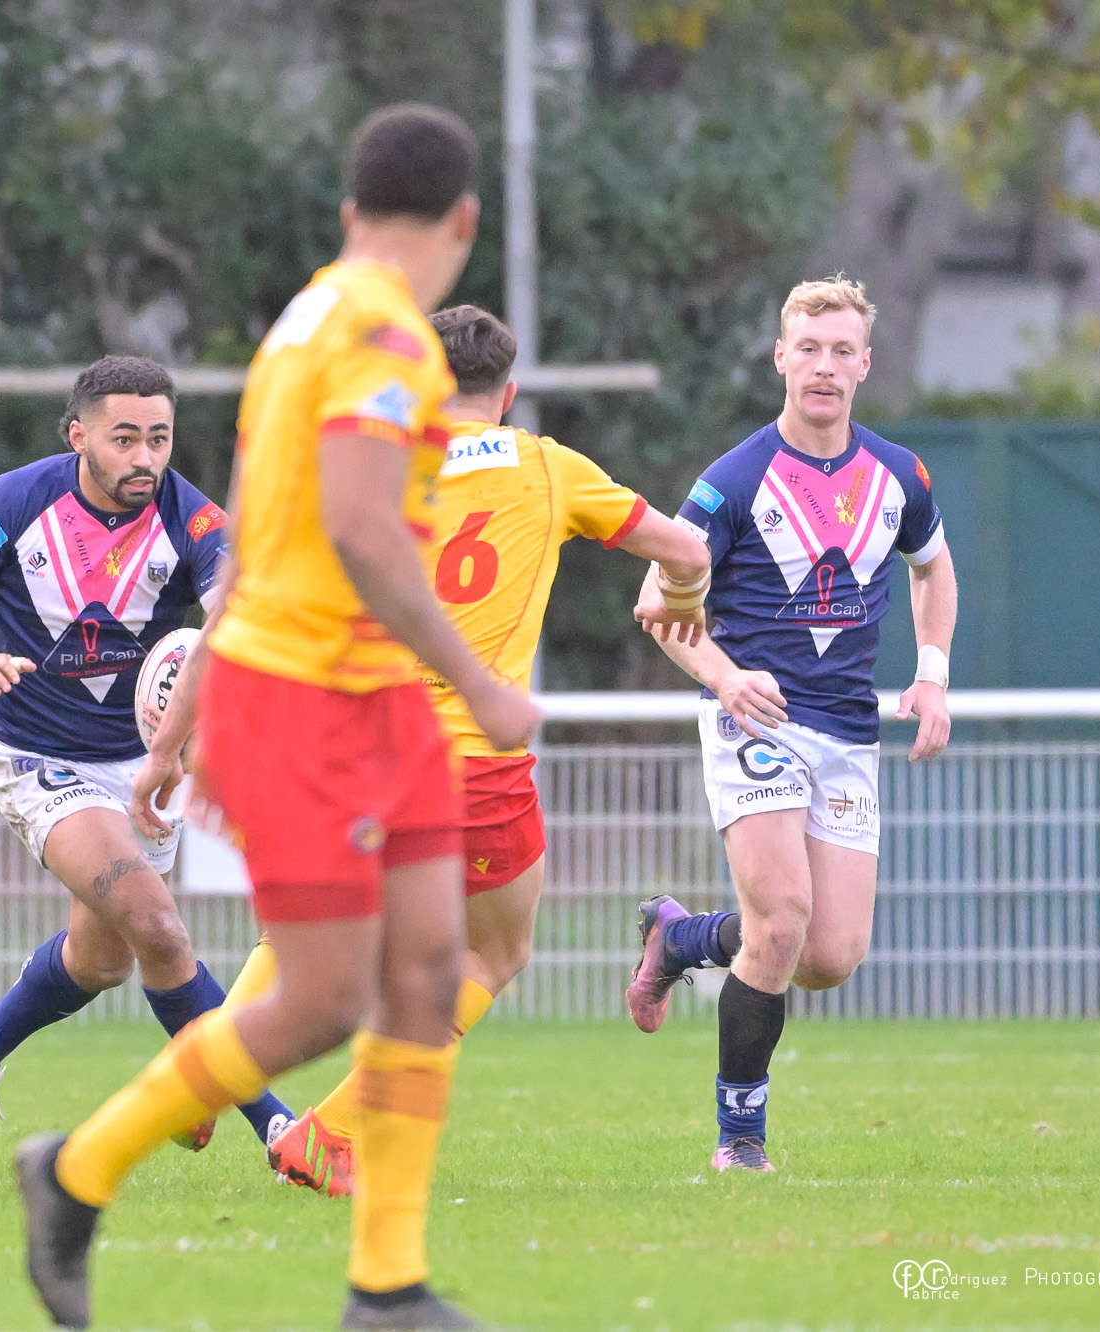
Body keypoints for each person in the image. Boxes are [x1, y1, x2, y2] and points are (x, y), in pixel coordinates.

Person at [17, 104, 537, 1332]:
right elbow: (357, 529)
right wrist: (476, 681)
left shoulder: (305, 317)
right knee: (319, 1001)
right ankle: (75, 1173)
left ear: (350, 210)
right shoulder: (383, 338)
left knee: (428, 973)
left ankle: (385, 1286)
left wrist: (175, 729)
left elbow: (247, 542)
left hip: (364, 695)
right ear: (465, 221)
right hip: (310, 698)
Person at [254, 304, 713, 1196]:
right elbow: (686, 549)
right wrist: (682, 603)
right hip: (473, 764)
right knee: (491, 957)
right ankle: (330, 1132)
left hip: (360, 750)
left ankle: (207, 1078)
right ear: (507, 394)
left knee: (313, 931)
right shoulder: (547, 467)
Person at [0, 355, 293, 1166]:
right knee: (159, 929)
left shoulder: (196, 522)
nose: (145, 458)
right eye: (124, 439)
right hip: (38, 759)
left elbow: (236, 633)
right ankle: (280, 1130)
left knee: (101, 961)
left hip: (145, 768)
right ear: (78, 435)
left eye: (160, 439)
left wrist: (185, 743)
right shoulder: (10, 503)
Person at [624, 276, 956, 1173]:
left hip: (847, 730)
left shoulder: (900, 475)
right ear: (780, 358)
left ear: (865, 365)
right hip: (755, 721)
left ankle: (684, 938)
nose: (825, 367)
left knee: (828, 955)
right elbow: (656, 599)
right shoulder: (734, 480)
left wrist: (931, 677)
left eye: (843, 351)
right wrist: (726, 677)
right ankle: (741, 1140)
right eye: (809, 349)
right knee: (780, 923)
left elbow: (934, 567)